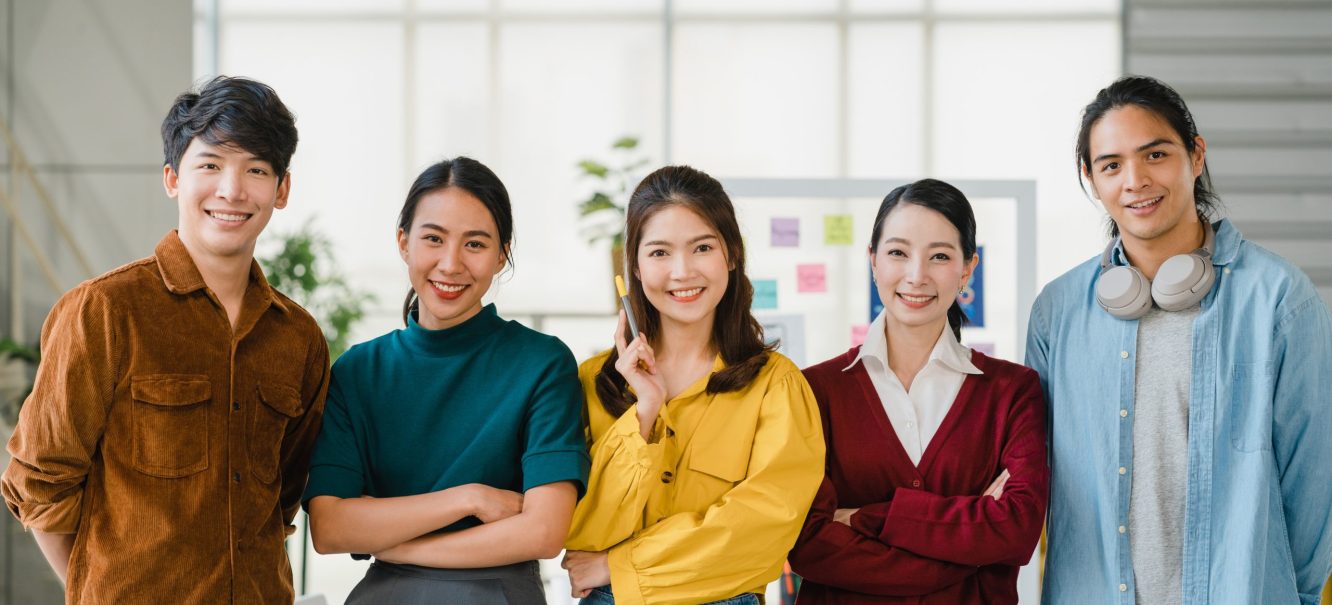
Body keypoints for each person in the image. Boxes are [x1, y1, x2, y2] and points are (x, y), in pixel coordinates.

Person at [1, 76, 328, 603]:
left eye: (257, 170)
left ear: (281, 190)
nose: (232, 190)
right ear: (173, 178)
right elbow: (39, 483)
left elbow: (282, 498)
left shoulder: (298, 337)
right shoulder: (106, 310)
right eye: (210, 165)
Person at [1029, 75, 1332, 604]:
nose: (1135, 181)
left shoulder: (1279, 299)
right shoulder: (1057, 312)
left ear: (1196, 155)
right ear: (1090, 178)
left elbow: (1314, 481)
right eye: (1111, 165)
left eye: (1155, 154)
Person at [302, 156, 588, 604]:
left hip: (497, 593)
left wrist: (398, 545)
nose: (451, 264)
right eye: (433, 239)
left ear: (502, 255)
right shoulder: (358, 371)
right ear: (403, 243)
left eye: (475, 244)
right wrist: (469, 499)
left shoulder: (542, 363)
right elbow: (330, 525)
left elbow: (545, 531)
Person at [562, 165, 825, 605]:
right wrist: (645, 412)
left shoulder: (777, 385)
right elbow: (584, 532)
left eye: (702, 247)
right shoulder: (591, 381)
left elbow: (762, 531)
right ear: (636, 269)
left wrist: (620, 565)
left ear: (732, 255)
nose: (682, 272)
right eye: (660, 253)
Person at [788, 178, 1048, 604]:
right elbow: (809, 545)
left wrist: (872, 518)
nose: (916, 275)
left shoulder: (1013, 392)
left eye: (940, 256)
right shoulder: (815, 391)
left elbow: (1017, 531)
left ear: (967, 269)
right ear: (872, 261)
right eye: (897, 253)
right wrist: (972, 547)